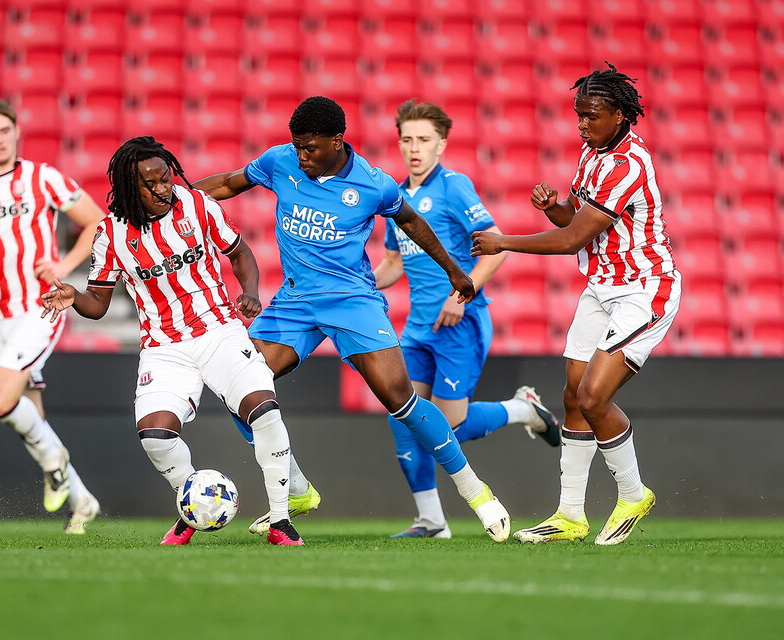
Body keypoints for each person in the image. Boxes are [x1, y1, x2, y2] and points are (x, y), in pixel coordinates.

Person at [195, 96, 512, 543]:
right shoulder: (279, 161)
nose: (301, 155)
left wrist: (455, 272)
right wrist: (172, 200)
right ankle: (297, 489)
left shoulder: (373, 184)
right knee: (239, 386)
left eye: (310, 147)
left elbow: (412, 222)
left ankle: (475, 491)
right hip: (295, 301)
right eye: (297, 146)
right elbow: (228, 183)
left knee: (400, 400)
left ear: (337, 140)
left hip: (352, 301)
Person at [40, 136, 304, 546]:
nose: (163, 188)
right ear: (130, 187)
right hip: (163, 348)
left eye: (166, 178)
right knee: (154, 436)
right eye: (151, 184)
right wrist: (74, 296)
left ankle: (281, 522)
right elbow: (98, 304)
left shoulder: (196, 204)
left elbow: (239, 253)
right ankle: (191, 507)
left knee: (264, 410)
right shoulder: (111, 233)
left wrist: (250, 290)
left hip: (219, 330)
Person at [471, 63, 682, 546]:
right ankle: (570, 515)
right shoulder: (593, 153)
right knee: (572, 396)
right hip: (602, 287)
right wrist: (553, 208)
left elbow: (571, 242)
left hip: (644, 289)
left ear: (620, 115)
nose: (582, 125)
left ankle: (633, 494)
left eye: (591, 116)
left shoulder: (627, 164)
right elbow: (575, 221)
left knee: (592, 397)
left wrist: (504, 241)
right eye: (578, 115)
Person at [373, 99, 561, 539]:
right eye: (407, 140)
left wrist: (463, 291)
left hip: (461, 323)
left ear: (441, 144)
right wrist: (355, 283)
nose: (414, 148)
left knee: (450, 425)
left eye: (424, 140)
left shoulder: (454, 187)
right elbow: (393, 263)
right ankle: (432, 521)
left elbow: (496, 246)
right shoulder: (395, 196)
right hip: (418, 328)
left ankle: (522, 409)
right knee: (403, 416)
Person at [0, 98, 105, 534]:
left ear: (16, 132)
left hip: (41, 305)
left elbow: (97, 222)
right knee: (27, 412)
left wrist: (65, 266)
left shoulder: (41, 177)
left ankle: (54, 461)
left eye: (4, 131)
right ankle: (82, 500)